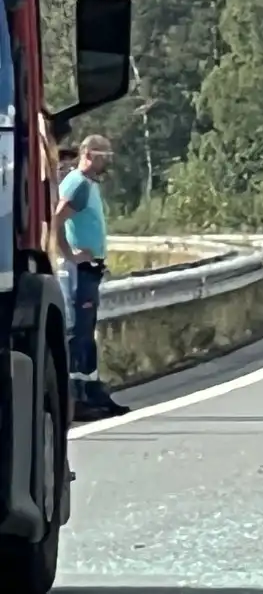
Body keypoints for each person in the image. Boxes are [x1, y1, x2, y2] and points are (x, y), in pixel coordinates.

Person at [53, 135, 129, 421]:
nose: (106, 162)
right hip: (78, 272)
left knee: (86, 334)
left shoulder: (88, 185)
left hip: (89, 269)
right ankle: (76, 398)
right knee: (78, 334)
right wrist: (71, 256)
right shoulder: (78, 184)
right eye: (103, 156)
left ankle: (92, 390)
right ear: (89, 154)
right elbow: (57, 220)